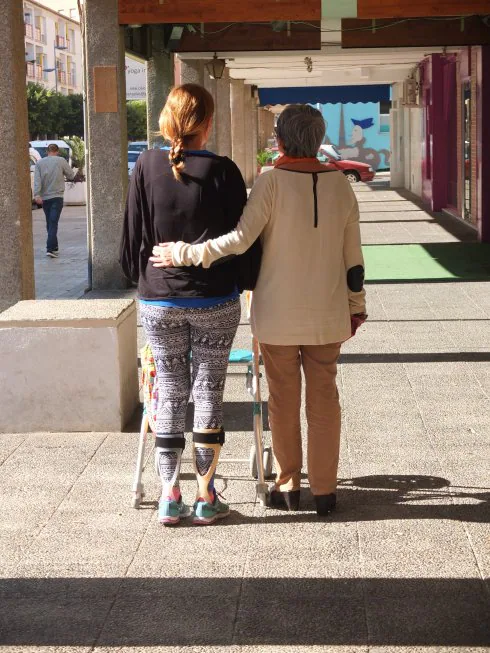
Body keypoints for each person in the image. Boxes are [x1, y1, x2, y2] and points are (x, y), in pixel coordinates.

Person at [150, 104, 367, 517]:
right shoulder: (342, 185)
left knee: (283, 400)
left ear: (281, 140)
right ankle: (325, 490)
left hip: (276, 314)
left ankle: (289, 485)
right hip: (328, 313)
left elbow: (238, 240)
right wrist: (356, 308)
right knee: (325, 400)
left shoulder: (271, 183)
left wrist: (186, 252)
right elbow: (353, 259)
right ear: (317, 140)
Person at [119, 84, 261, 526]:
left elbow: (131, 240)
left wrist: (146, 280)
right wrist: (247, 283)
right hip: (215, 298)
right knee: (207, 390)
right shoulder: (225, 171)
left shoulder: (144, 165)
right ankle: (206, 496)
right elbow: (243, 243)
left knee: (169, 390)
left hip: (159, 298)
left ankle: (168, 494)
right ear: (207, 123)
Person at [33, 143, 76, 258]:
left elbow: (37, 180)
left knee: (50, 222)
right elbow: (71, 175)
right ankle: (50, 248)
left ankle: (54, 246)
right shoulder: (61, 161)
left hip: (45, 198)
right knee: (53, 222)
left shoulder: (39, 163)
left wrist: (36, 195)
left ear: (47, 151)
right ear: (57, 151)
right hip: (57, 197)